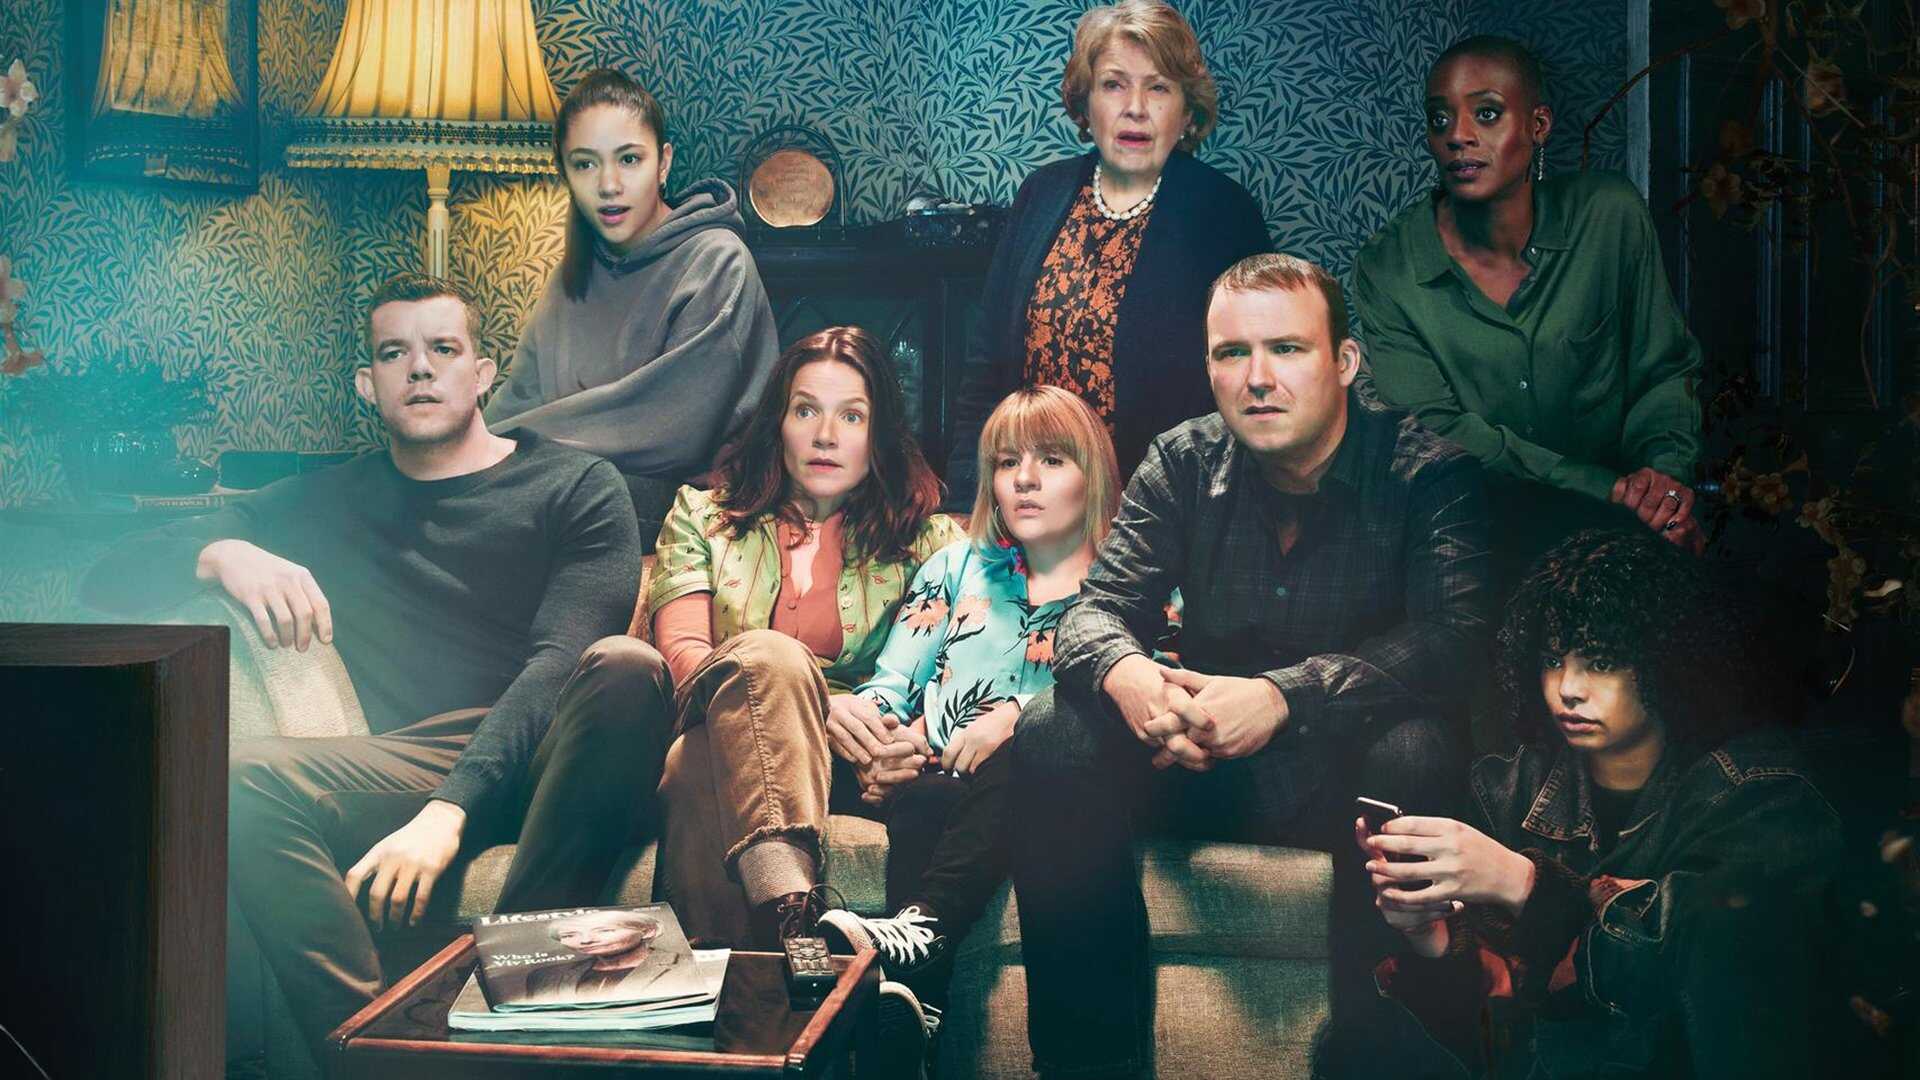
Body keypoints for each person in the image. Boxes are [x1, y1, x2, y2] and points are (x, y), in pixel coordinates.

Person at [79, 274, 665, 1056]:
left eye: (442, 349)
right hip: (413, 757)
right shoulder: (325, 501)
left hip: (557, 756)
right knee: (237, 774)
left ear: (482, 374)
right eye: (395, 353)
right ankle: (379, 1055)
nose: (419, 368)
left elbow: (561, 664)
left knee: (626, 667)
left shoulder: (576, 485)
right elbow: (103, 578)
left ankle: (514, 1013)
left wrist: (449, 812)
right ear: (368, 384)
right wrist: (223, 553)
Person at [1009, 253, 1492, 1078]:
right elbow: (1095, 611)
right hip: (1201, 766)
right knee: (1053, 731)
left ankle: (1381, 1059)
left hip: (1344, 776)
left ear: (1345, 361)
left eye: (1287, 349)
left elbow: (1454, 640)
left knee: (1417, 748)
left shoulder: (1427, 473)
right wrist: (1135, 681)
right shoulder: (1183, 460)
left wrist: (1281, 697)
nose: (1257, 378)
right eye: (1232, 353)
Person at [1361, 528, 1843, 1077]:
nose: (1568, 687)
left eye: (1601, 661)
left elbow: (1721, 975)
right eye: (1553, 659)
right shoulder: (1505, 788)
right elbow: (1494, 1013)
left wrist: (1524, 884)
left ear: (1667, 662)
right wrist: (1429, 937)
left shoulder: (1757, 792)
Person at [812, 386, 1121, 1056]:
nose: (1025, 479)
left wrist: (1016, 718)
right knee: (926, 797)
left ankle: (919, 945)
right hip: (933, 780)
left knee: (1031, 747)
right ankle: (913, 1006)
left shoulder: (1128, 584)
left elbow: (1132, 706)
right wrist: (877, 744)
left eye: (1052, 460)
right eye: (1008, 463)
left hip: (1044, 791)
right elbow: (893, 684)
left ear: (1092, 474)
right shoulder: (957, 566)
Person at [648, 325, 966, 948]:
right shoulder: (703, 515)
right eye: (805, 411)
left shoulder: (932, 543)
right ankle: (792, 941)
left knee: (694, 765)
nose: (826, 436)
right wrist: (816, 706)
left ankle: (742, 984)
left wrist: (905, 743)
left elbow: (963, 669)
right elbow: (685, 656)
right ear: (778, 424)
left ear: (879, 434)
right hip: (719, 726)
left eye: (852, 416)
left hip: (854, 764)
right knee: (756, 675)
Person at [1351, 35, 1704, 591]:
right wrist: (1607, 488)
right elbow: (1436, 429)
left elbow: (1662, 369)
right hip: (1472, 544)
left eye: (1486, 114)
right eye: (1440, 119)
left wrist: (1662, 486)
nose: (1458, 135)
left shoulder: (1608, 216)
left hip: (1621, 533)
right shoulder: (1388, 267)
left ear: (1539, 125)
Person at [943, 0, 1271, 505]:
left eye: (1158, 87)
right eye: (1114, 84)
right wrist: (968, 496)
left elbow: (1250, 379)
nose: (1135, 107)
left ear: (1186, 112)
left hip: (1166, 510)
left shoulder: (1224, 212)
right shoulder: (1041, 194)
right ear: (1085, 102)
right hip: (1029, 502)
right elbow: (987, 362)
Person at [485, 68, 781, 548]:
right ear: (564, 171)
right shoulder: (571, 276)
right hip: (571, 485)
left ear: (663, 163)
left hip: (683, 502)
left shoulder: (716, 260)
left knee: (535, 494)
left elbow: (675, 430)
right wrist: (467, 454)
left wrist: (510, 441)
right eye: (585, 164)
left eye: (629, 159)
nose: (608, 184)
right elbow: (515, 402)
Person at [522, 909, 690, 1006]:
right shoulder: (545, 976)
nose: (585, 940)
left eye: (605, 931)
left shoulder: (688, 967)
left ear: (648, 931)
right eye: (569, 935)